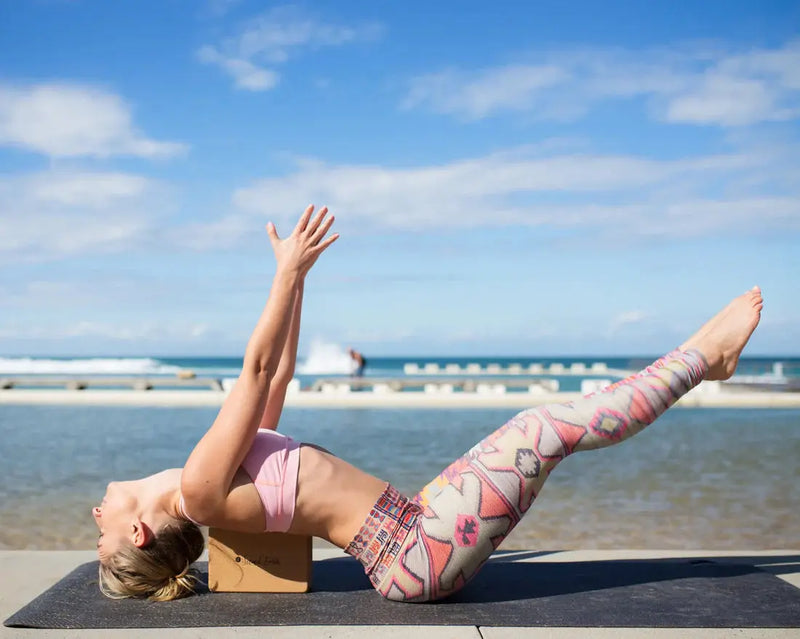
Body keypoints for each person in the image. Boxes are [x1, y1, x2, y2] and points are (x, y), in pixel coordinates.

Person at [93, 205, 764, 603]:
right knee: (543, 427)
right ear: (137, 532)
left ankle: (706, 360)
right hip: (418, 553)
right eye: (100, 529)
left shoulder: (210, 478)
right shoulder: (201, 488)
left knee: (541, 426)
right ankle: (702, 358)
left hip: (418, 530)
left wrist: (298, 285)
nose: (96, 513)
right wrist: (285, 273)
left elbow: (276, 376)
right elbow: (257, 364)